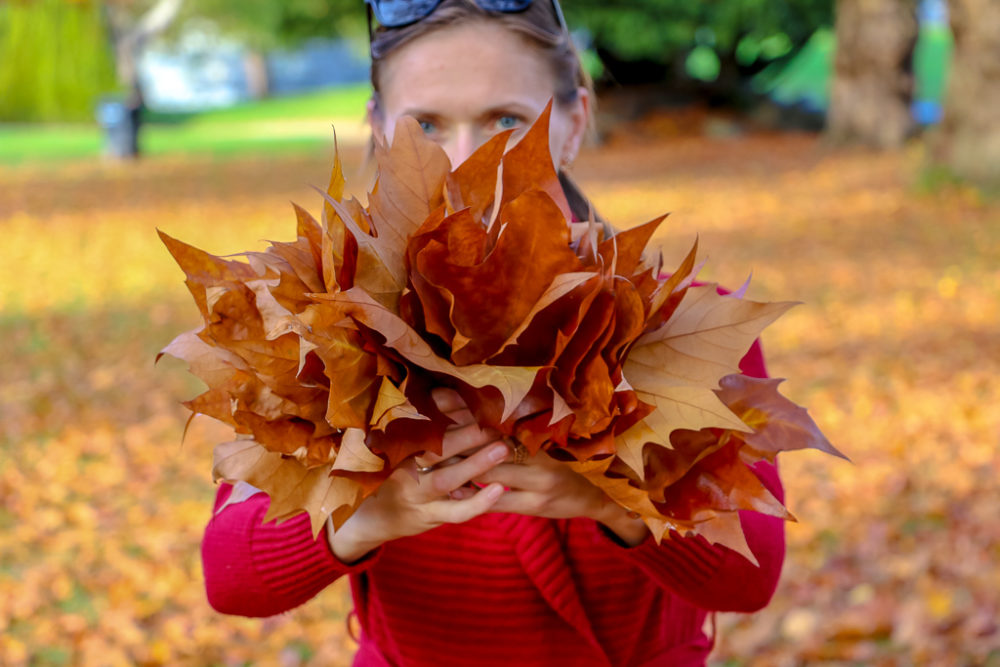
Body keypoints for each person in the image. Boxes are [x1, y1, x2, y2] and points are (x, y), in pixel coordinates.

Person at [201, 1, 786, 665]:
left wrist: (617, 504)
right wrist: (370, 518)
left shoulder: (685, 323)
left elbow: (752, 573)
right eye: (426, 125)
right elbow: (229, 574)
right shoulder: (324, 322)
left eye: (506, 120)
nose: (463, 160)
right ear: (378, 129)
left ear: (574, 123)